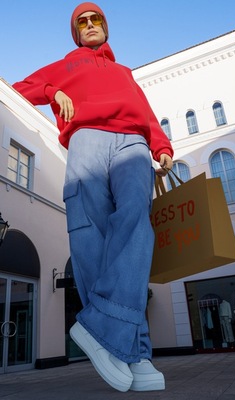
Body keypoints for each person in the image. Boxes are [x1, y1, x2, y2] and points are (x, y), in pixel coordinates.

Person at [12, 2, 173, 392]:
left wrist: (162, 146)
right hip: (85, 138)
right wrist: (53, 91)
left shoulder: (124, 73)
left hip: (132, 142)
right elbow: (20, 90)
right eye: (81, 22)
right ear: (76, 33)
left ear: (105, 25)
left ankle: (100, 331)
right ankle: (135, 352)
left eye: (94, 18)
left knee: (136, 226)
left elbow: (146, 113)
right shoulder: (67, 65)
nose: (88, 24)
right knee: (89, 237)